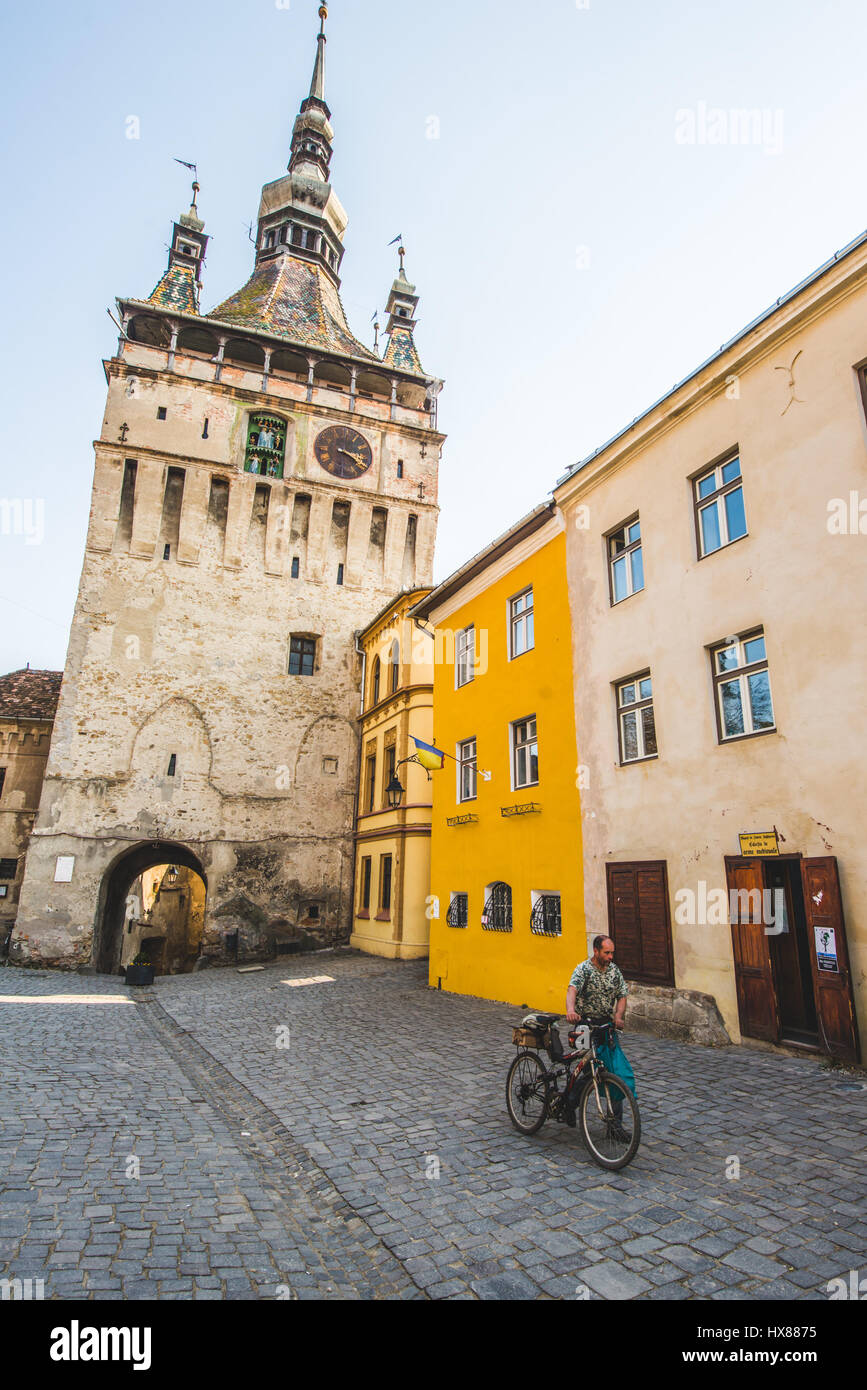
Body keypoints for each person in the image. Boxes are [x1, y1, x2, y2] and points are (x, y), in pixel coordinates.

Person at [565, 935, 635, 1136]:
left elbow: (622, 995)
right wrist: (570, 1010)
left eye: (612, 952)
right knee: (586, 1071)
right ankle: (570, 1105)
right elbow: (572, 990)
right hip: (584, 1024)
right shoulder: (583, 969)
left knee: (614, 1072)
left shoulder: (614, 971)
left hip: (605, 1025)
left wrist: (619, 1016)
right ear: (596, 951)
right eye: (607, 952)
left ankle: (615, 1127)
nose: (610, 956)